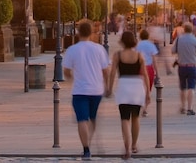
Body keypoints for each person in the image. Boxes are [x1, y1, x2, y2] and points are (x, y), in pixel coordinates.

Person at [62, 20, 111, 160]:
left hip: (80, 90)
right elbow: (106, 70)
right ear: (91, 33)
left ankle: (86, 149)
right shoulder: (99, 49)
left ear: (78, 33)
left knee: (82, 120)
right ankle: (88, 141)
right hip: (96, 90)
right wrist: (107, 86)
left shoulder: (72, 50)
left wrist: (71, 78)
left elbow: (66, 71)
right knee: (92, 118)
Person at [106, 31, 150, 160]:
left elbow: (113, 72)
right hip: (137, 86)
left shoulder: (118, 55)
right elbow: (145, 74)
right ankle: (134, 145)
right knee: (135, 117)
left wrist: (109, 88)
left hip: (124, 85)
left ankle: (127, 147)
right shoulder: (139, 55)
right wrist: (147, 92)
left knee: (124, 118)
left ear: (122, 41)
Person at [171, 22, 196, 115]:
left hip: (182, 67)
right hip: (192, 66)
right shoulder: (195, 40)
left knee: (182, 88)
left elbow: (172, 51)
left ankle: (183, 107)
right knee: (191, 87)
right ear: (192, 30)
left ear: (184, 29)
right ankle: (189, 108)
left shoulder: (178, 39)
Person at [136, 29, 160, 116]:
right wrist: (157, 73)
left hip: (139, 68)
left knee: (140, 87)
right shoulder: (151, 45)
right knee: (148, 88)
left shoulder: (137, 45)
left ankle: (140, 105)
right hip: (149, 68)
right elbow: (154, 60)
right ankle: (145, 108)